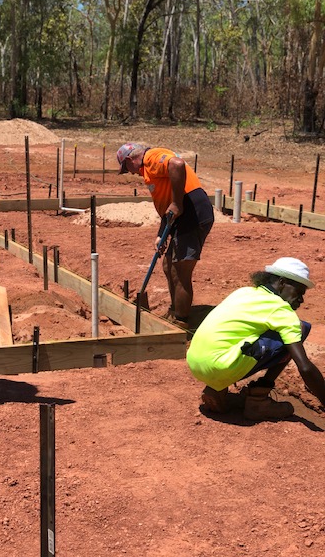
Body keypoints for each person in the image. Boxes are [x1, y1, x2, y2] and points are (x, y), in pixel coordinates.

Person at [186, 257, 325, 421]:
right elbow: (305, 367)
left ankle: (217, 388)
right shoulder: (281, 310)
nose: (301, 300)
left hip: (194, 362)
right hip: (219, 367)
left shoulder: (243, 292)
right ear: (282, 282)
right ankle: (258, 400)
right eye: (299, 292)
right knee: (301, 329)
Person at [117, 142, 214, 330]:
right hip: (182, 217)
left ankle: (181, 324)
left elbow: (177, 164)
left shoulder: (151, 157)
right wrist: (161, 234)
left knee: (180, 271)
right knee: (168, 265)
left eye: (125, 167)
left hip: (193, 214)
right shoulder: (149, 169)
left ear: (130, 159)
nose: (129, 172)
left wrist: (178, 204)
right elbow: (167, 204)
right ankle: (175, 310)